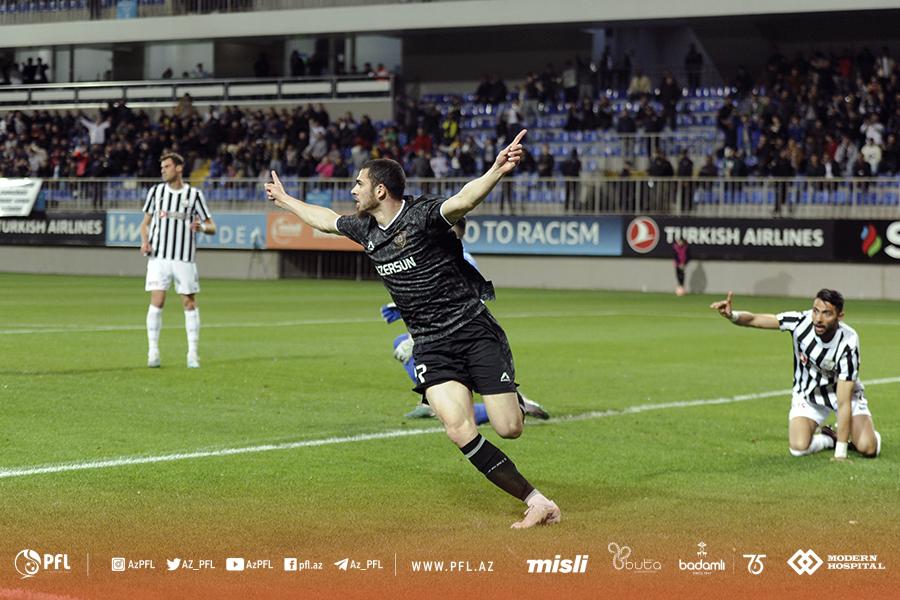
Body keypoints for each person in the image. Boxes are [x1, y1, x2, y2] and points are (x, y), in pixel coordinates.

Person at [265, 130, 561, 528]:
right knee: (458, 429)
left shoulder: (422, 216)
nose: (353, 190)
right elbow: (326, 220)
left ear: (381, 190)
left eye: (359, 184)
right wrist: (285, 199)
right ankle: (537, 502)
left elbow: (463, 200)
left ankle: (516, 402)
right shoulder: (365, 229)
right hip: (430, 344)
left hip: (472, 330)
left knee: (509, 428)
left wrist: (496, 170)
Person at [381, 219, 550, 423]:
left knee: (460, 412)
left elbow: (456, 302)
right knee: (404, 345)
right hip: (450, 332)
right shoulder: (434, 256)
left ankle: (515, 404)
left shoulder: (459, 259)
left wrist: (413, 339)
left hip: (464, 335)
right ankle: (432, 402)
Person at [710, 290, 881, 461]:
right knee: (798, 448)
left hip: (842, 395)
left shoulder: (848, 342)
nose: (818, 319)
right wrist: (732, 315)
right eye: (815, 311)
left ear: (840, 316)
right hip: (808, 394)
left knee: (868, 448)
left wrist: (841, 453)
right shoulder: (800, 322)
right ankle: (829, 438)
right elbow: (755, 320)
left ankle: (869, 437)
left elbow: (843, 402)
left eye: (826, 313)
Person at [140, 153, 216, 369]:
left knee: (189, 302)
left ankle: (192, 353)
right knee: (157, 300)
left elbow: (212, 226)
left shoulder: (194, 195)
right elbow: (144, 224)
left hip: (184, 258)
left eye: (167, 166)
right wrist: (145, 242)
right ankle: (153, 351)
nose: (163, 170)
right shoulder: (156, 192)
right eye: (162, 167)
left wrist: (202, 228)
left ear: (179, 168)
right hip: (159, 257)